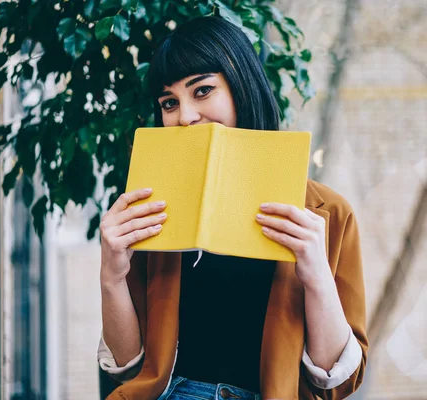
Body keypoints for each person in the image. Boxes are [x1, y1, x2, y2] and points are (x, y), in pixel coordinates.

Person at [97, 16, 368, 400]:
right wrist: (111, 276)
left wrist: (317, 277)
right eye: (169, 102)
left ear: (243, 87)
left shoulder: (329, 213)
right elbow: (127, 367)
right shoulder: (149, 209)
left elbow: (335, 380)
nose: (185, 117)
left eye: (203, 90)